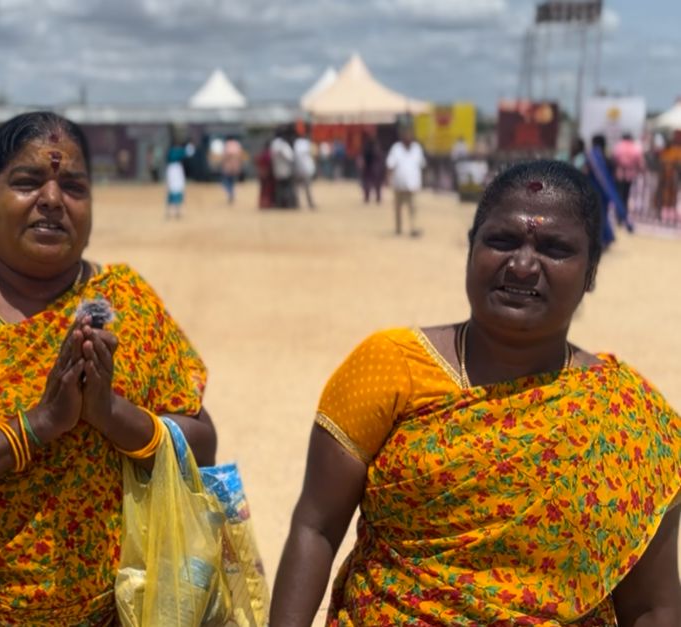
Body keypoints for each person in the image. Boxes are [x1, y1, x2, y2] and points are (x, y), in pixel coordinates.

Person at [270, 160, 681, 626]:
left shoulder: (628, 416)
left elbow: (652, 605)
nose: (523, 265)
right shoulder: (389, 368)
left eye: (555, 248)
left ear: (590, 275)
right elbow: (316, 529)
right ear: (471, 250)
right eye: (502, 241)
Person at [0, 111, 217, 625]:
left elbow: (204, 443)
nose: (53, 201)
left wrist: (110, 413)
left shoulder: (125, 298)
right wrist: (40, 424)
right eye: (27, 181)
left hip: (122, 610)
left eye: (73, 186)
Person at [583, 134, 631, 246]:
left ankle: (599, 239)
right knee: (603, 214)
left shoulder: (592, 156)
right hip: (605, 192)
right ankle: (606, 237)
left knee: (595, 215)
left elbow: (586, 171)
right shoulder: (607, 157)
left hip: (593, 189)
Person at [386, 128, 425, 236]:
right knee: (398, 208)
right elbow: (390, 164)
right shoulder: (396, 148)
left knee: (413, 208)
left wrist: (423, 181)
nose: (408, 138)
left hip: (413, 185)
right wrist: (388, 179)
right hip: (398, 185)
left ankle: (413, 228)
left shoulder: (417, 149)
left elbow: (422, 165)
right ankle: (398, 229)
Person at [613, 132, 645, 212]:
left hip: (619, 173)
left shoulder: (619, 146)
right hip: (630, 174)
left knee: (619, 192)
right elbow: (639, 161)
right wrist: (641, 170)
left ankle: (618, 212)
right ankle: (624, 211)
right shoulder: (635, 147)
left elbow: (614, 159)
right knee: (626, 193)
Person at [165, 137, 195, 219]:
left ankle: (171, 211)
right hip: (176, 171)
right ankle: (176, 211)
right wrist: (191, 145)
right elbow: (189, 153)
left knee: (172, 190)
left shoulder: (170, 151)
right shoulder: (179, 151)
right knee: (176, 189)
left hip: (171, 170)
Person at [656, 131, 681, 224]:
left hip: (672, 177)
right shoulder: (664, 151)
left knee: (671, 197)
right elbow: (660, 161)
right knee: (661, 196)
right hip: (663, 177)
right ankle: (660, 214)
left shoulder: (676, 151)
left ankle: (670, 216)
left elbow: (678, 163)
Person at [270, 126, 297, 209]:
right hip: (285, 169)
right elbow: (290, 157)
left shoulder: (273, 144)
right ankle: (287, 204)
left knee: (279, 187)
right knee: (287, 187)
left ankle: (279, 203)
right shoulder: (283, 145)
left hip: (276, 169)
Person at [292, 126, 316, 209]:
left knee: (298, 188)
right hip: (305, 168)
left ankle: (297, 203)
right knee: (306, 187)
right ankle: (310, 203)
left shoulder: (296, 144)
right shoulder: (306, 144)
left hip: (299, 168)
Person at [219, 136, 245, 206]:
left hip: (228, 166)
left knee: (226, 181)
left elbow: (224, 156)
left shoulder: (227, 145)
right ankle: (231, 192)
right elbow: (240, 156)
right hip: (235, 166)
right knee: (232, 181)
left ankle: (230, 192)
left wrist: (222, 163)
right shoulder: (237, 145)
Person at [359, 136, 384, 205]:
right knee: (367, 185)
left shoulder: (376, 150)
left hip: (374, 169)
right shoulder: (366, 149)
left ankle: (376, 198)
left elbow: (380, 160)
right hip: (368, 169)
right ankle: (368, 197)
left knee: (376, 185)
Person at [255, 139, 275, 209]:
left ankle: (262, 203)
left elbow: (256, 160)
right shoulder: (269, 154)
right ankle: (267, 204)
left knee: (263, 190)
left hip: (262, 173)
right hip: (268, 174)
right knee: (268, 190)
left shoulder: (262, 153)